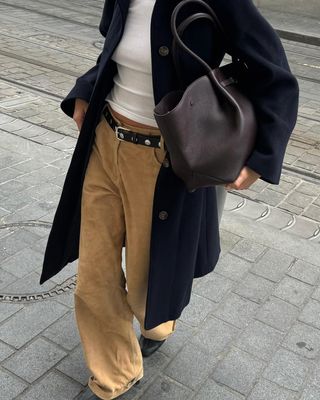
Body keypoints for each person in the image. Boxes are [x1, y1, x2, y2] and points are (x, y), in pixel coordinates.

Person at [39, 0, 299, 398]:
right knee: (94, 274)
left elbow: (275, 75)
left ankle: (156, 321)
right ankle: (114, 374)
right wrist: (85, 91)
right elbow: (114, 51)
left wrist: (263, 156)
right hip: (105, 143)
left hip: (164, 163)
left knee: (148, 282)